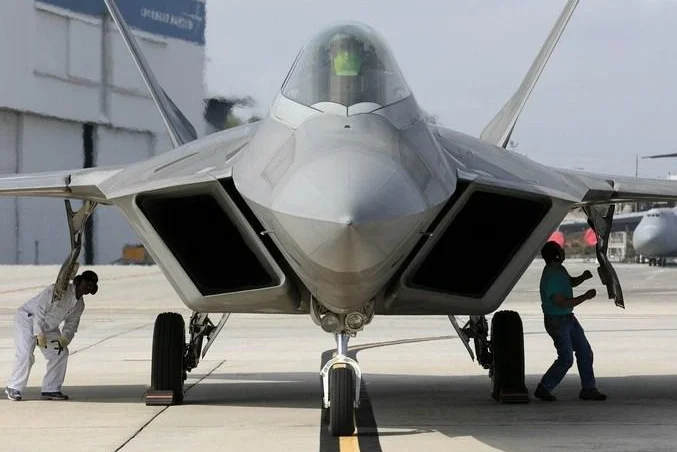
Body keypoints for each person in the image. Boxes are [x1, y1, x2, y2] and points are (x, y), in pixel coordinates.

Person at [5, 270, 98, 401]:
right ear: (78, 281)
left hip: (49, 328)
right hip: (28, 319)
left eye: (91, 285)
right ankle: (14, 387)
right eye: (86, 283)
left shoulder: (79, 305)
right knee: (26, 354)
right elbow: (39, 311)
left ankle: (51, 389)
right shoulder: (57, 290)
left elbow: (71, 324)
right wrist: (38, 333)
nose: (87, 287)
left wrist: (64, 339)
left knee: (60, 353)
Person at [534, 241, 607, 401]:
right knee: (566, 358)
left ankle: (589, 388)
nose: (563, 252)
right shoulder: (552, 276)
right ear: (556, 256)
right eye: (560, 250)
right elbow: (562, 302)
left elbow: (570, 282)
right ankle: (544, 387)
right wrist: (585, 297)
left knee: (585, 352)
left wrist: (582, 278)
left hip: (567, 318)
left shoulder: (559, 269)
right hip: (557, 321)